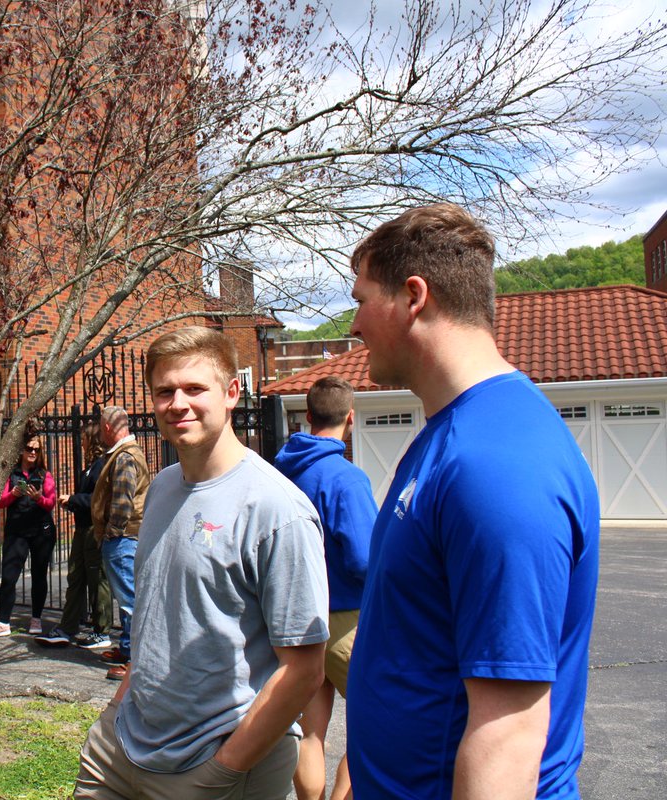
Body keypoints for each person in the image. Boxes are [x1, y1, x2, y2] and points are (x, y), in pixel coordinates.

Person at [344, 204, 601, 799]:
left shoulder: (498, 464)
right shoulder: (448, 434)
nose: (354, 326)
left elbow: (508, 732)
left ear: (414, 296)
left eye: (360, 301)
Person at [75, 327, 329, 800]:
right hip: (122, 747)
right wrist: (114, 711)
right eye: (165, 390)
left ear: (232, 393)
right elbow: (155, 614)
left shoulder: (277, 509)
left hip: (216, 763)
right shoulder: (165, 488)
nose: (178, 403)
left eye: (195, 388)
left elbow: (304, 670)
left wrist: (223, 771)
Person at [274, 375, 378, 800]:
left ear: (307, 416)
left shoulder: (279, 470)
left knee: (311, 730)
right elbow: (364, 560)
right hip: (346, 620)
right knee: (378, 723)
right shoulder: (346, 479)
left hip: (299, 616)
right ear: (350, 418)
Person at [36, 421, 113, 649]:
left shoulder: (101, 467)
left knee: (97, 579)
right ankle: (68, 627)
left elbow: (99, 501)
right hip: (81, 530)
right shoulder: (88, 468)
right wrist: (71, 503)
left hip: (94, 530)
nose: (81, 442)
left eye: (84, 438)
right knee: (76, 577)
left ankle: (102, 630)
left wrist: (73, 499)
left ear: (93, 440)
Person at [89, 406, 150, 680]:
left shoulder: (124, 457)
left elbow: (122, 503)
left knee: (130, 600)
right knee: (128, 597)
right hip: (125, 538)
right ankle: (127, 650)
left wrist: (110, 534)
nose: (100, 432)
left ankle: (136, 662)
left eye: (102, 427)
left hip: (123, 539)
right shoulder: (125, 454)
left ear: (108, 428)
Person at [0, 431, 58, 638]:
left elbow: (50, 503)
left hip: (41, 530)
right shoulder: (11, 474)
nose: (33, 452)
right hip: (17, 530)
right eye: (29, 449)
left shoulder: (44, 475)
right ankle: (3, 621)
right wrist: (13, 495)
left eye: (36, 449)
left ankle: (36, 618)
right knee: (9, 575)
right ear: (22, 451)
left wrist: (38, 498)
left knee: (39, 575)